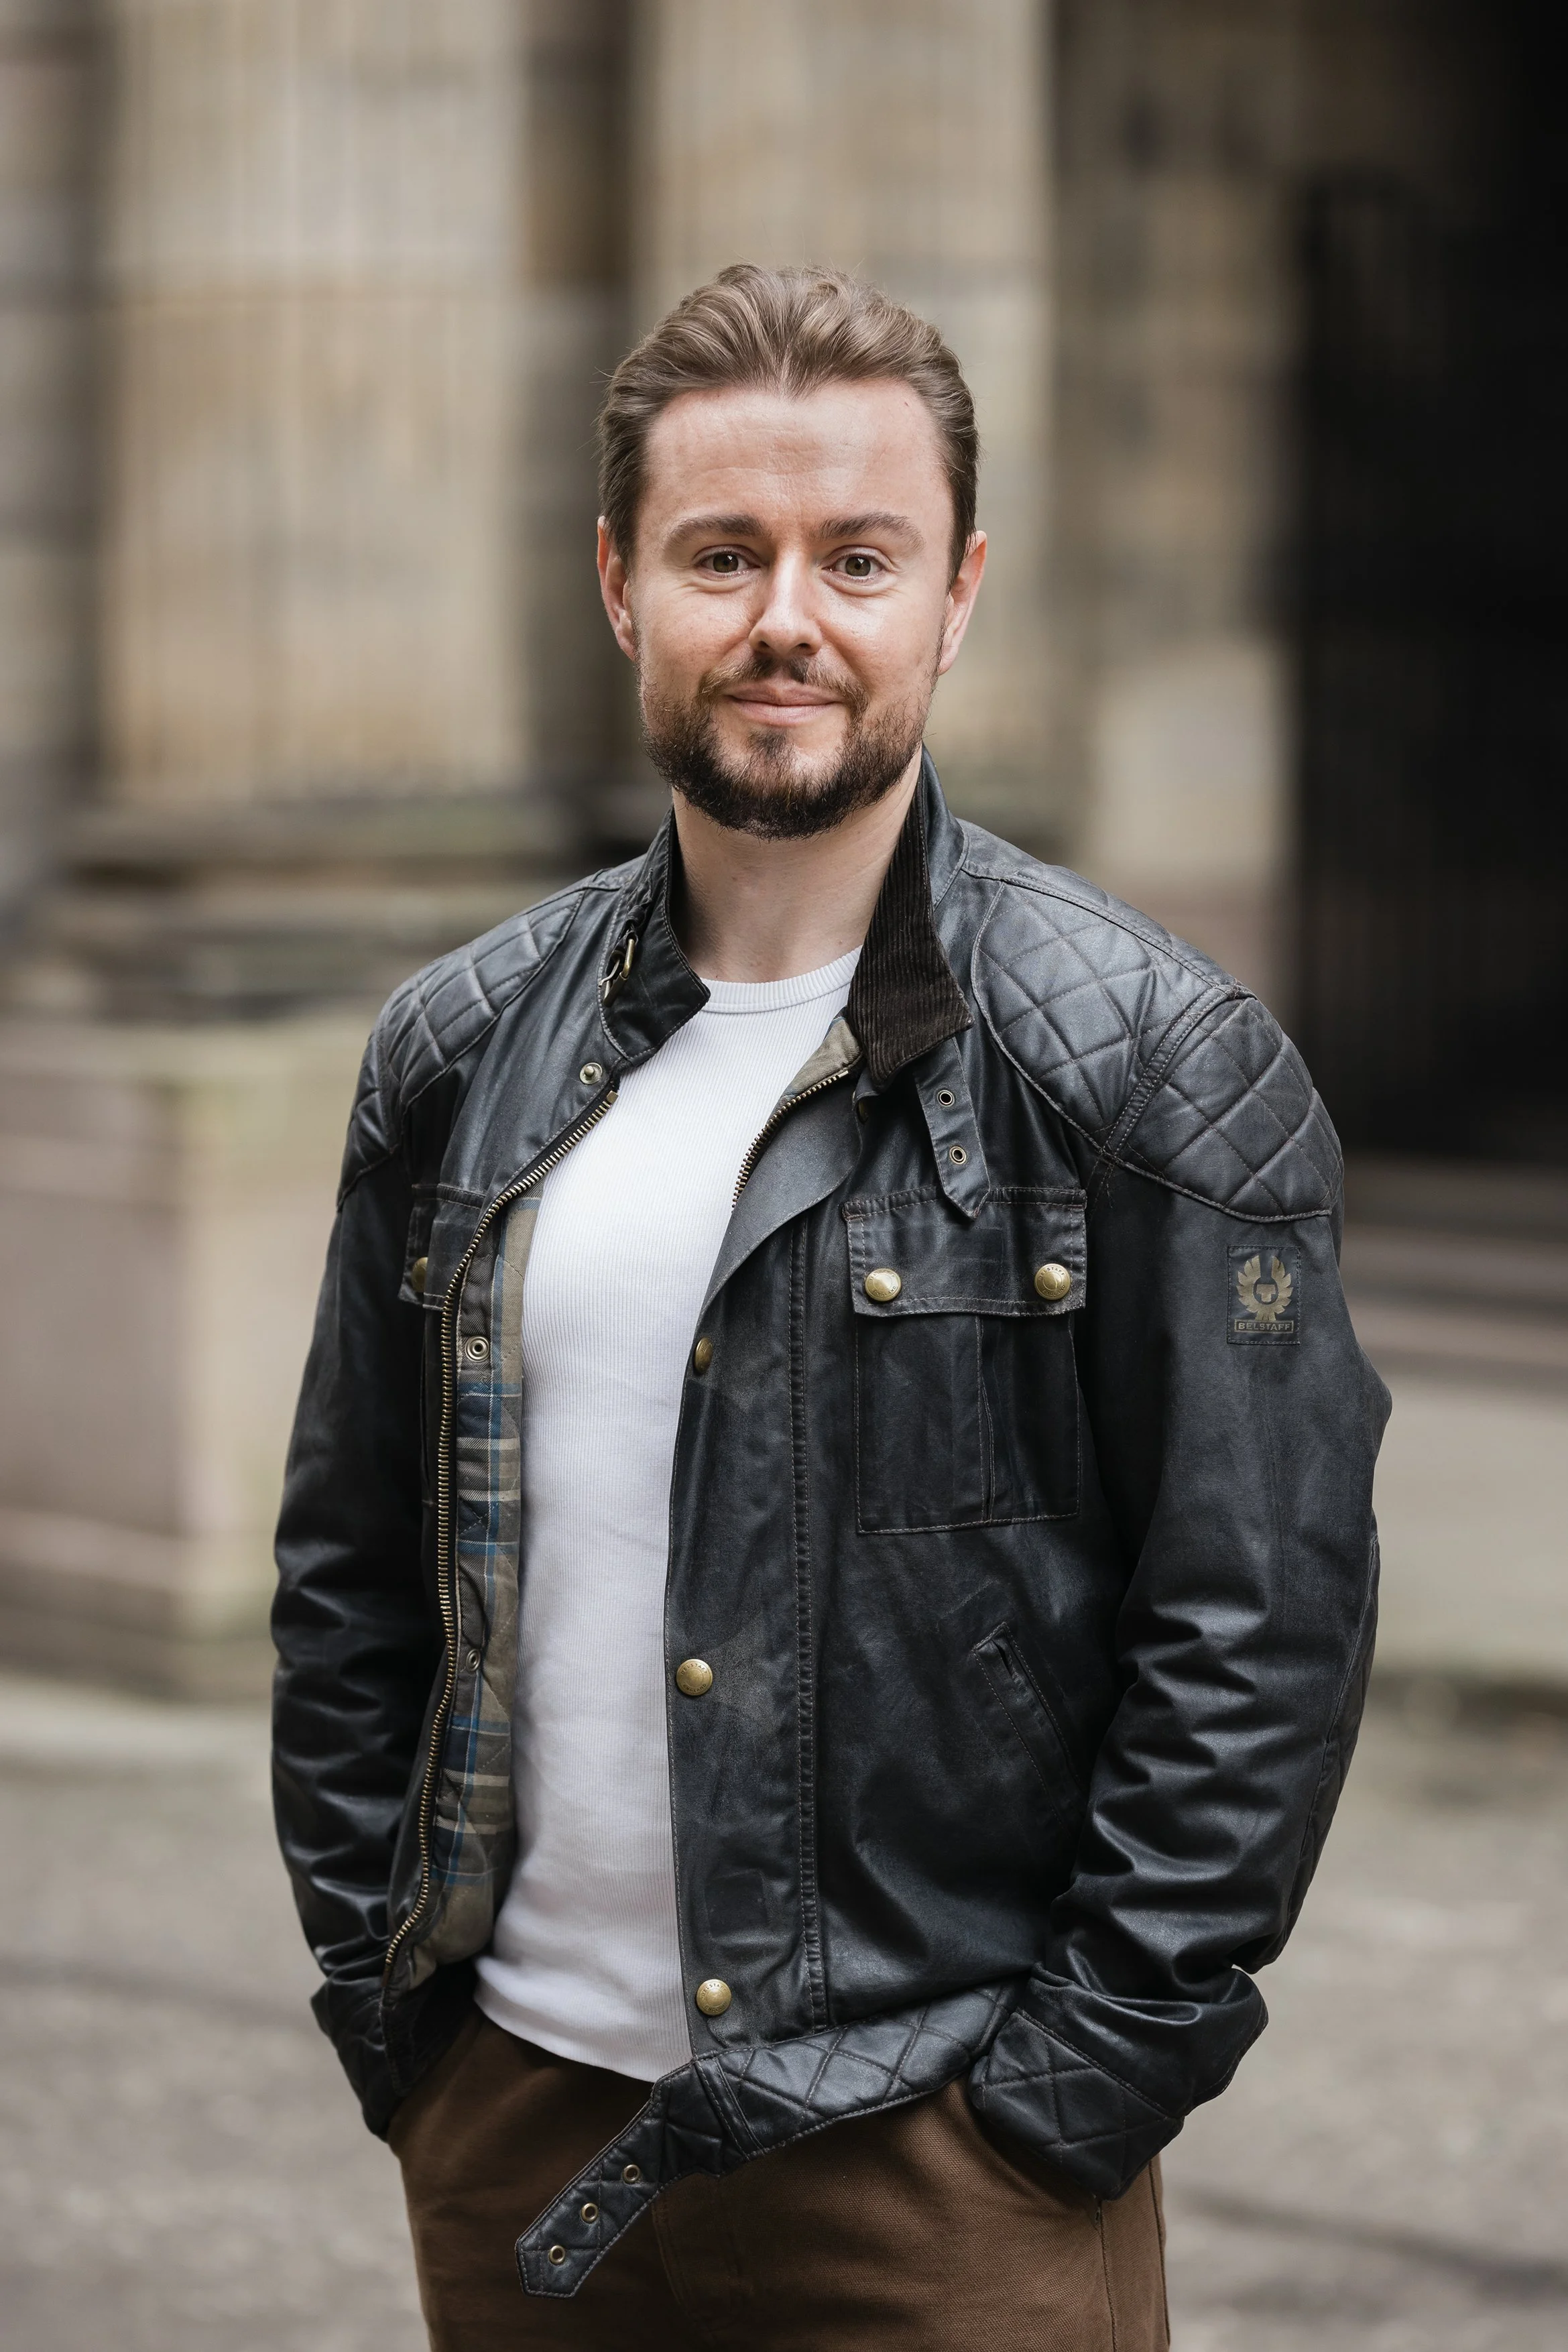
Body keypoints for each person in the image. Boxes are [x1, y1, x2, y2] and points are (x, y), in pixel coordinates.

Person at [272, 264, 1390, 2351]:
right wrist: (394, 2008)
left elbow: (1261, 1621)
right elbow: (351, 1568)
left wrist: (1066, 2096)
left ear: (956, 593)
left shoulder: (1152, 1070)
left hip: (938, 2153)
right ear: (622, 585)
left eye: (855, 555)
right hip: (522, 2135)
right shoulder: (456, 1050)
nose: (789, 614)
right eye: (724, 552)